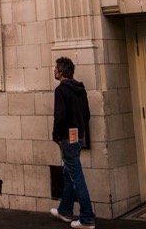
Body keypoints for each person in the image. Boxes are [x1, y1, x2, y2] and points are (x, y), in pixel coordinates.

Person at [50, 57, 95, 228]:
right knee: (68, 173)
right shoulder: (80, 89)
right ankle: (65, 210)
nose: (54, 70)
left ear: (61, 72)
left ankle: (87, 218)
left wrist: (56, 136)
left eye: (56, 68)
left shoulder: (61, 90)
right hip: (78, 136)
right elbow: (87, 115)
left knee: (76, 176)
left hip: (67, 137)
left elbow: (59, 117)